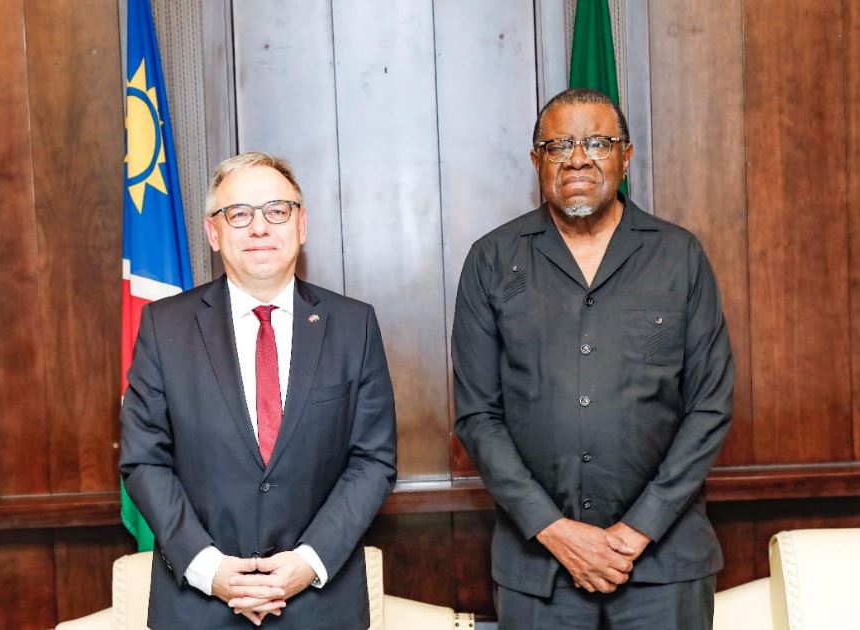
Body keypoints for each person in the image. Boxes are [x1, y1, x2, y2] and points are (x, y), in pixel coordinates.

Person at [451, 88, 733, 630]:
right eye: (558, 146)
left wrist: (638, 530)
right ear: (537, 161)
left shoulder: (680, 256)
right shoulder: (492, 260)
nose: (577, 158)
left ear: (626, 156)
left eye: (597, 143)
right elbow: (477, 415)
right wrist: (556, 531)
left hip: (665, 566)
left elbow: (709, 407)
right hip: (538, 569)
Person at [120, 152, 397, 629]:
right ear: (213, 232)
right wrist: (210, 569)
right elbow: (145, 460)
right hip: (199, 606)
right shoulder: (164, 327)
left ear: (301, 224)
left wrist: (308, 561)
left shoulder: (354, 326)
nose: (260, 228)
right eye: (239, 214)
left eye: (277, 210)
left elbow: (373, 460)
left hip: (320, 605)